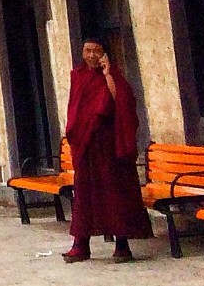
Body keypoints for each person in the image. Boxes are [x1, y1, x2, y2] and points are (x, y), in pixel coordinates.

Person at [64, 39, 152, 262]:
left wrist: (107, 75)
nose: (92, 55)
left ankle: (122, 245)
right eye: (88, 51)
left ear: (104, 54)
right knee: (84, 194)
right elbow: (74, 109)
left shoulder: (115, 76)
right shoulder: (78, 76)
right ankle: (80, 244)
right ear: (82, 53)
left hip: (109, 145)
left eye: (97, 51)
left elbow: (122, 103)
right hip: (86, 146)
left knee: (115, 193)